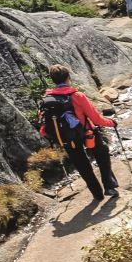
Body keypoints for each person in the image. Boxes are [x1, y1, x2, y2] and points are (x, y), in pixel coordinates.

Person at [38, 64, 119, 201]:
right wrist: (111, 123)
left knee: (82, 164)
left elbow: (43, 124)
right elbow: (96, 119)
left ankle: (97, 194)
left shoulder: (47, 99)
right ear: (68, 77)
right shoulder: (77, 95)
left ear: (53, 80)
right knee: (102, 152)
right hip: (86, 132)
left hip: (67, 138)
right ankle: (109, 186)